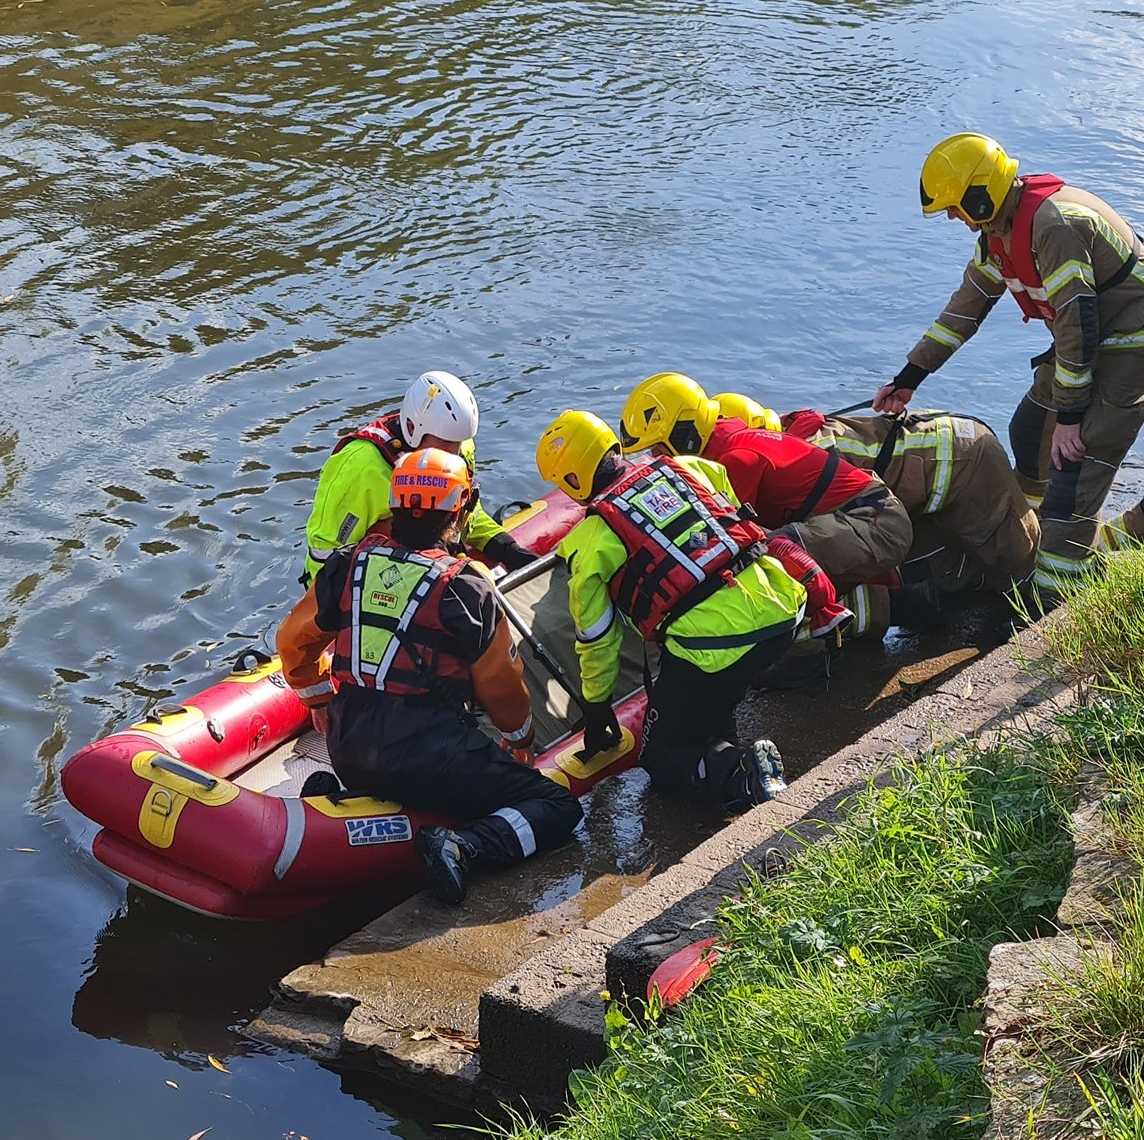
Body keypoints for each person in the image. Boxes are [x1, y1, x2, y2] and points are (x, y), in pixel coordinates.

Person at [873, 133, 1144, 603]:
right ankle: (1030, 546)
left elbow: (1078, 319)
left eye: (955, 208)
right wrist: (908, 378)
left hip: (1135, 337)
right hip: (1087, 337)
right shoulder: (998, 233)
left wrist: (1072, 420)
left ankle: (1048, 605)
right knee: (1032, 428)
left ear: (981, 193)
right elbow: (964, 310)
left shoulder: (1054, 225)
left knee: (1075, 467)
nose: (954, 218)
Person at [275, 448, 580, 905]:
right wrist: (520, 740)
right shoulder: (465, 588)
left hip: (348, 741)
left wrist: (319, 701)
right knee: (558, 807)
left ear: (395, 505)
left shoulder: (346, 566)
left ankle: (342, 793)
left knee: (384, 757)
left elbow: (293, 642)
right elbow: (502, 685)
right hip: (428, 756)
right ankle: (464, 848)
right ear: (462, 507)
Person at [537, 410, 799, 810]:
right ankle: (731, 753)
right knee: (709, 703)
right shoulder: (688, 467)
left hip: (715, 642)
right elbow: (726, 503)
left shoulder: (590, 540)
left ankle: (742, 778)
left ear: (573, 479)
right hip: (782, 609)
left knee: (660, 756)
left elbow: (598, 636)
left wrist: (596, 706)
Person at [619, 373, 914, 609]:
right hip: (868, 517)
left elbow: (725, 540)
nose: (655, 461)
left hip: (877, 524)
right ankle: (908, 603)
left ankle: (806, 656)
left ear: (683, 435)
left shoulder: (736, 461)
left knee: (768, 556)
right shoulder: (735, 439)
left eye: (656, 451)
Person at [302, 369, 532, 584]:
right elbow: (326, 549)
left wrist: (505, 548)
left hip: (433, 561)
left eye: (460, 442)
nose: (455, 452)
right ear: (413, 428)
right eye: (446, 443)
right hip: (378, 575)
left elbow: (465, 511)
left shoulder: (459, 449)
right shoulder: (362, 466)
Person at [786, 406, 1039, 596]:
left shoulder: (802, 465)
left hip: (970, 462)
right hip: (933, 472)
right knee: (938, 569)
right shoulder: (788, 443)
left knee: (1023, 573)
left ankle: (1050, 620)